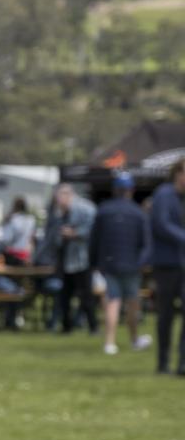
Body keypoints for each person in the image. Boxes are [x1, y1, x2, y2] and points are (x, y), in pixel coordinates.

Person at [91, 172, 153, 355]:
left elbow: (94, 240)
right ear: (131, 190)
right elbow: (146, 244)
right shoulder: (138, 212)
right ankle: (134, 340)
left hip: (109, 264)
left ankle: (110, 343)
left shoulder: (103, 210)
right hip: (132, 265)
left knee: (113, 301)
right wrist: (141, 263)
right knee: (132, 302)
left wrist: (94, 263)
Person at [148, 159, 185, 374]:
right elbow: (161, 225)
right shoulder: (164, 194)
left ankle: (182, 363)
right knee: (166, 314)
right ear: (178, 173)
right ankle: (162, 363)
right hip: (167, 263)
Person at [48, 184, 97, 335]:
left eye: (60, 197)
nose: (58, 200)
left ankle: (93, 327)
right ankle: (66, 327)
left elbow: (94, 229)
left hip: (82, 259)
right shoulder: (58, 212)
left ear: (69, 195)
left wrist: (75, 233)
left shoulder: (85, 208)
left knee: (86, 295)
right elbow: (53, 235)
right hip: (66, 259)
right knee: (65, 295)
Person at [1, 196, 37, 265]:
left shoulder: (11, 219)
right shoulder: (31, 220)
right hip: (26, 255)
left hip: (12, 255)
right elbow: (32, 239)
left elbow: (7, 239)